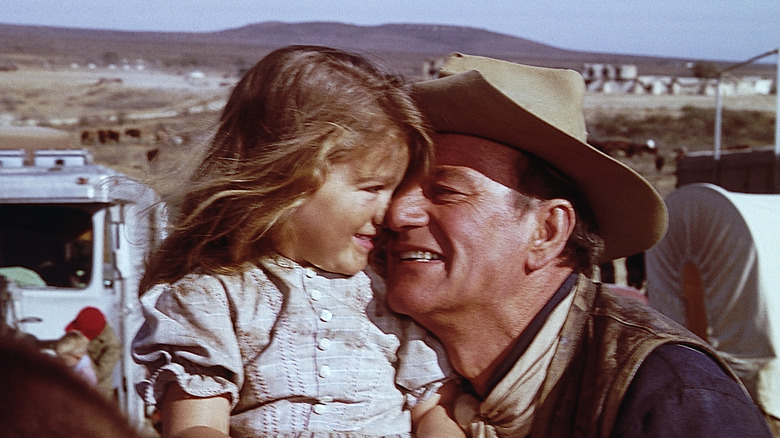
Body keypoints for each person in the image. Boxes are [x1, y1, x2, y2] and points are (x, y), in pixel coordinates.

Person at [383, 53, 772, 437]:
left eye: (445, 191)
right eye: (395, 187)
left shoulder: (673, 400)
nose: (397, 212)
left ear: (547, 232)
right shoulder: (380, 360)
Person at [132, 45, 460, 438]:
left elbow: (431, 410)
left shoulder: (388, 293)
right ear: (289, 179)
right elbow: (197, 424)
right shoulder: (214, 298)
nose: (389, 213)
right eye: (372, 188)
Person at [0, 336, 142, 438]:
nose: (63, 362)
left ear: (77, 356)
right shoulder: (80, 369)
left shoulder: (85, 373)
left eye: (65, 359)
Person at [66, 306, 121, 399]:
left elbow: (98, 375)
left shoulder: (112, 346)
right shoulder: (82, 332)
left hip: (97, 392)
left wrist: (83, 355)